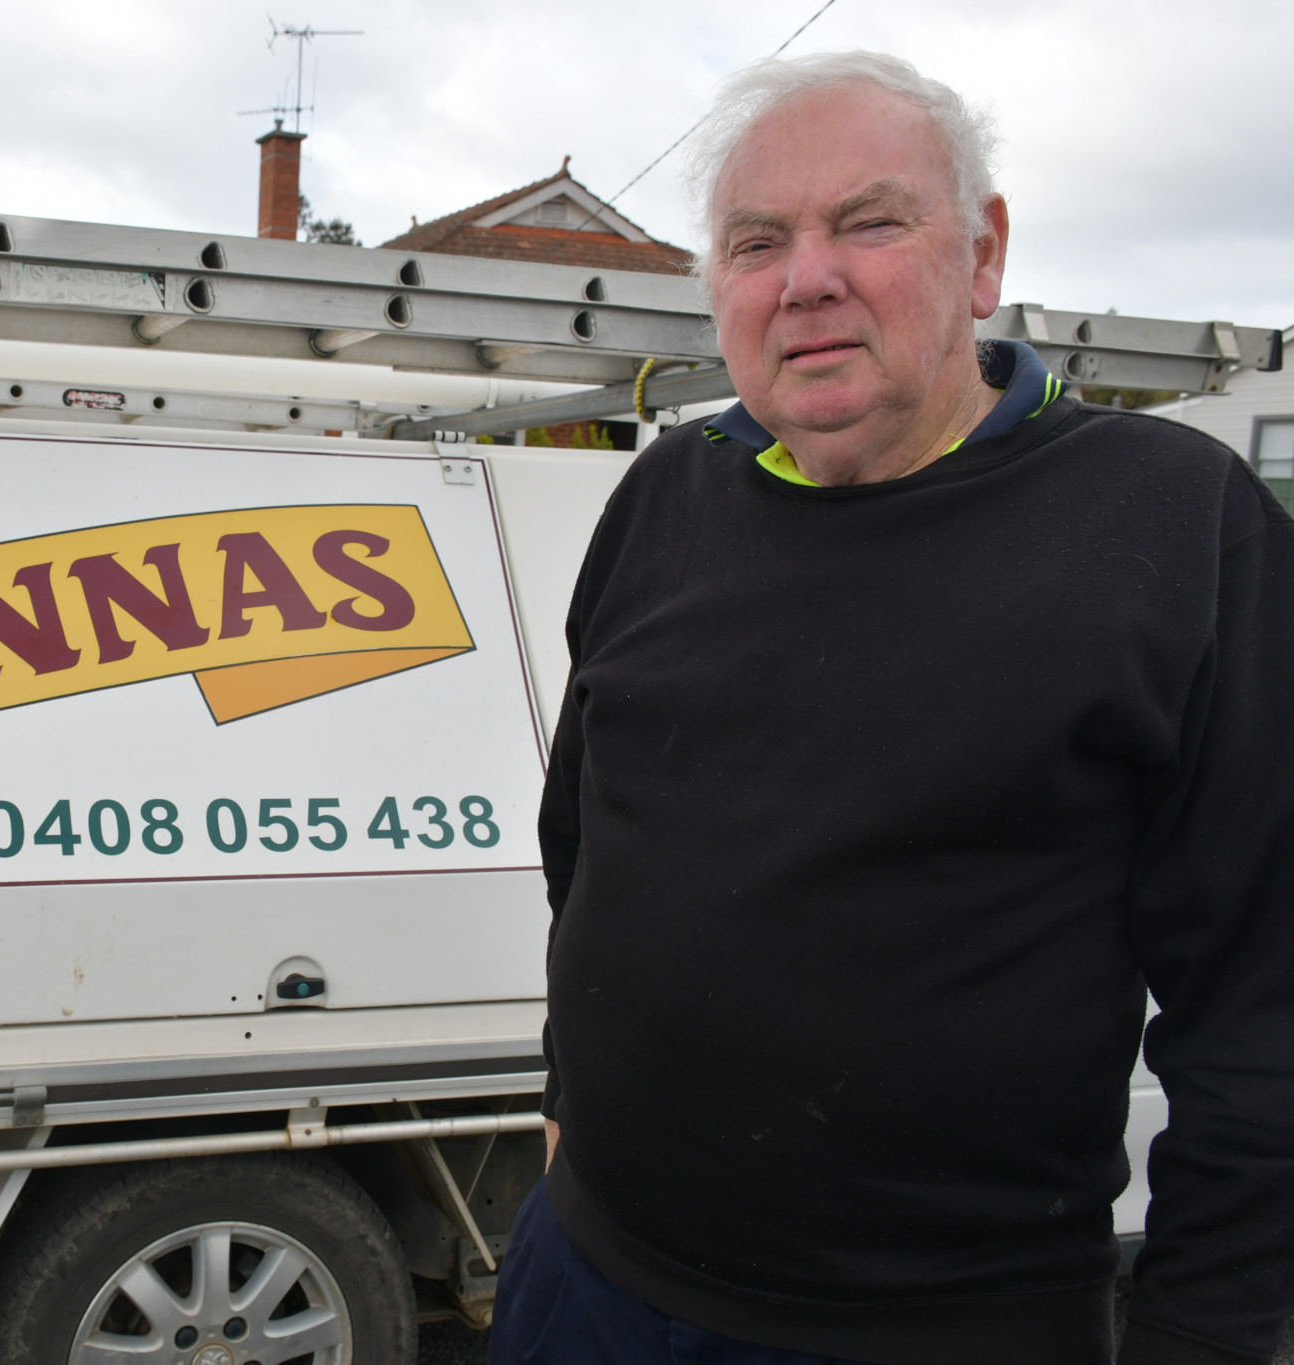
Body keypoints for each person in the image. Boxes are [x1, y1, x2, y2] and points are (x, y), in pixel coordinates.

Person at [492, 49, 1294, 1365]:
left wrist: (1199, 1337)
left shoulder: (1173, 530)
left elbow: (1265, 1012)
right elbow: (583, 840)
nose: (806, 277)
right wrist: (567, 1098)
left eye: (867, 222)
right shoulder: (660, 503)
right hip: (584, 1286)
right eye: (758, 240)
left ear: (980, 258)